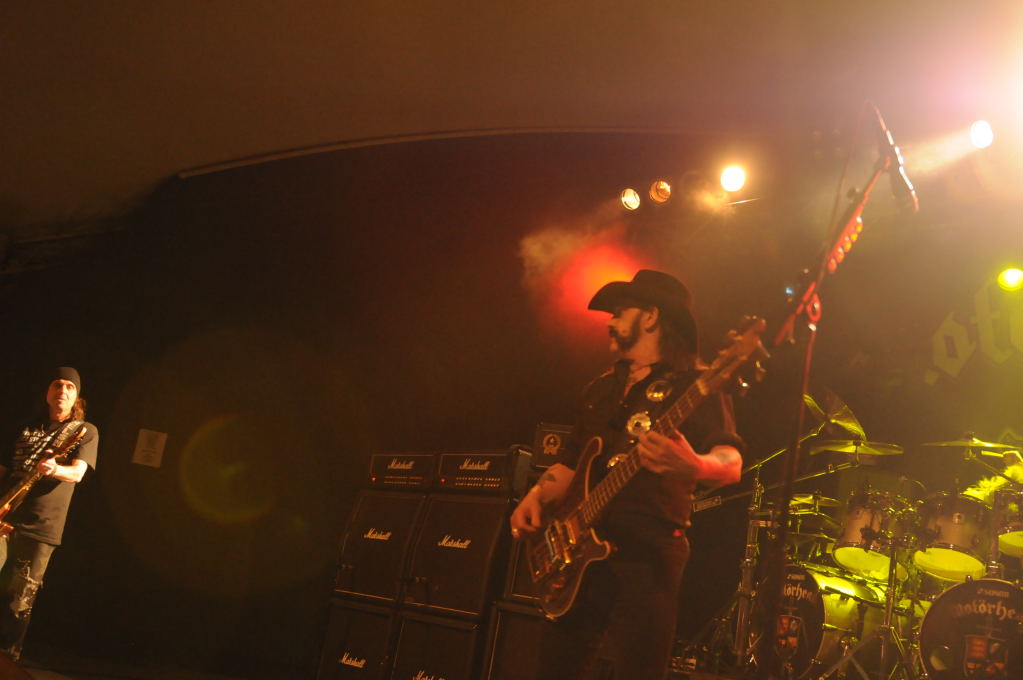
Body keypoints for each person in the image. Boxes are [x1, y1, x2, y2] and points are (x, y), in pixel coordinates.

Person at [510, 269, 744, 680]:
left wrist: (695, 465)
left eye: (620, 311)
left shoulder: (696, 384)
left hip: (648, 555)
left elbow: (731, 461)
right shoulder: (600, 390)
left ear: (651, 316)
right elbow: (571, 464)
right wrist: (538, 496)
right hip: (577, 552)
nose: (610, 320)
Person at [0, 367, 98, 660]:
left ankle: (7, 663)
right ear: (47, 392)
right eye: (57, 384)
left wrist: (55, 469)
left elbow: (77, 473)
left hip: (41, 527)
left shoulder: (84, 430)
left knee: (18, 602)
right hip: (5, 517)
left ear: (77, 396)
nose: (62, 391)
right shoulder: (24, 428)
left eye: (70, 387)